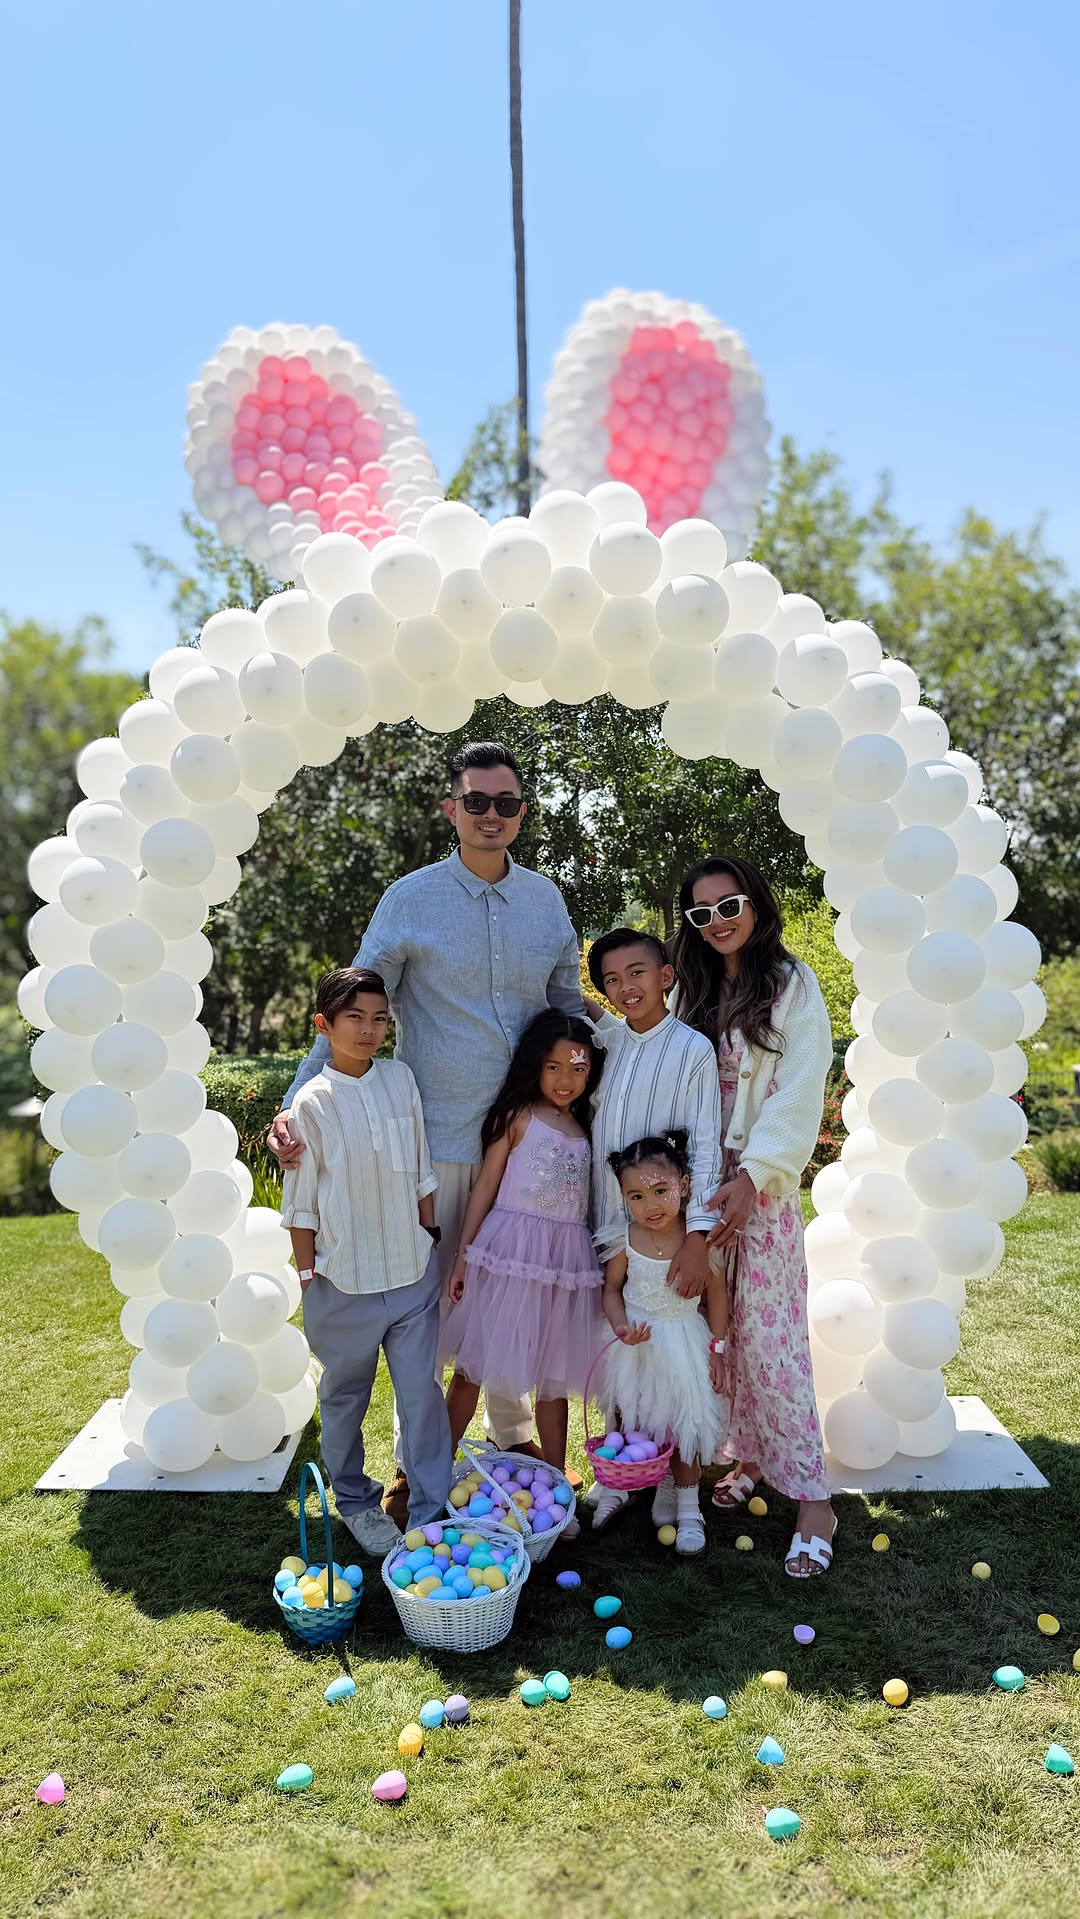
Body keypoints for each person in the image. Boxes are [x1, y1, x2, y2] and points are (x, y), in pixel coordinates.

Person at [268, 741, 586, 1524]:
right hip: (434, 1143)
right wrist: (295, 1101)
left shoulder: (546, 900)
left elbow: (568, 1007)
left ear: (522, 812)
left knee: (511, 1293)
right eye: (475, 801)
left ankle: (513, 1442)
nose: (489, 815)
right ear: (452, 809)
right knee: (430, 1314)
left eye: (504, 803)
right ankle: (417, 1468)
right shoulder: (408, 898)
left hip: (527, 1144)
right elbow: (353, 1002)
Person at [671, 854, 837, 1580]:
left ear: (757, 904)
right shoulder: (694, 988)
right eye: (701, 913)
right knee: (716, 1335)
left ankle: (815, 1502)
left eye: (729, 905)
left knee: (771, 1342)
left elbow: (800, 1085)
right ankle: (749, 1458)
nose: (717, 921)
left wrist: (755, 1175)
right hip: (699, 1181)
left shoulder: (792, 984)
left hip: (759, 1188)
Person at [280, 967, 451, 1554]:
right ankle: (355, 1501)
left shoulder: (400, 1079)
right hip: (342, 1281)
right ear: (324, 1025)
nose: (369, 1030)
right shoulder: (311, 1103)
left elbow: (421, 1168)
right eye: (354, 1017)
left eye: (379, 1018)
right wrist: (309, 1279)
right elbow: (301, 1205)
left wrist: (430, 1235)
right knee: (344, 1401)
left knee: (422, 1397)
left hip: (412, 1272)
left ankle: (430, 1512)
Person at [579, 927, 723, 1531]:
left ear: (665, 975)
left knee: (670, 1365)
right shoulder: (610, 1044)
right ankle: (621, 1468)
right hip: (611, 1223)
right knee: (625, 1357)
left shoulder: (691, 1048)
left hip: (667, 1231)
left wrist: (697, 1234)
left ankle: (671, 1479)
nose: (625, 987)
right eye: (612, 980)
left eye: (637, 973)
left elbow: (706, 1143)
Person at [441, 1011, 605, 1483]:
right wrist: (463, 1256)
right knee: (472, 1367)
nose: (565, 1080)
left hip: (563, 1261)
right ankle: (434, 1474)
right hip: (509, 1255)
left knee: (553, 1379)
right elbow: (485, 1188)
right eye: (553, 1067)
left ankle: (556, 1481)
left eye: (577, 1069)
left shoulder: (587, 1126)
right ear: (535, 1065)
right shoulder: (519, 1117)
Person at [594, 1130, 729, 1554]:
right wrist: (620, 1326)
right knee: (624, 1414)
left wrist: (718, 1351)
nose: (649, 1205)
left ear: (684, 1186)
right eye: (635, 1196)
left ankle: (688, 1507)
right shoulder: (625, 1239)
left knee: (682, 1422)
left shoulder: (696, 1242)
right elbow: (611, 1290)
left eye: (659, 1191)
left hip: (681, 1341)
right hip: (635, 1342)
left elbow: (717, 1296)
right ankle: (617, 1484)